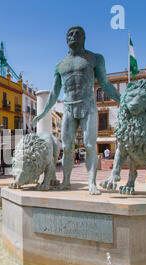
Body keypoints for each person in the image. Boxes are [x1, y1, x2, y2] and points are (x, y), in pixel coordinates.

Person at [33, 26, 120, 195]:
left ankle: (91, 183)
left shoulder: (95, 58)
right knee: (66, 147)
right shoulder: (60, 65)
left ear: (84, 38)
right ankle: (66, 181)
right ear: (66, 40)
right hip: (69, 107)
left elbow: (105, 84)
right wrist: (44, 113)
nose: (73, 36)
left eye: (77, 34)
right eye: (69, 34)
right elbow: (54, 92)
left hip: (88, 106)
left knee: (89, 145)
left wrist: (122, 100)